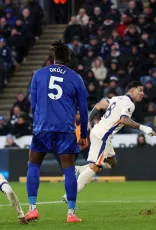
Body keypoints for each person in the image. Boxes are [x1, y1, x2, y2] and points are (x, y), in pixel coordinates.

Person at [25, 40, 89, 223]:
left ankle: (32, 209)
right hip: (65, 129)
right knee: (68, 168)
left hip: (42, 127)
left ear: (53, 57)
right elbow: (83, 110)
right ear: (68, 59)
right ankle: (71, 214)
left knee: (34, 165)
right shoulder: (76, 78)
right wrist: (83, 134)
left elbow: (33, 104)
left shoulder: (38, 74)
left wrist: (38, 122)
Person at [62, 82, 156, 202]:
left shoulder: (116, 98)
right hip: (103, 136)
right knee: (94, 168)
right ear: (131, 91)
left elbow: (99, 105)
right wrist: (144, 128)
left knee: (111, 162)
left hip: (101, 134)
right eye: (140, 90)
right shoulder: (129, 104)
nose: (143, 93)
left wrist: (88, 122)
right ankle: (70, 194)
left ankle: (79, 169)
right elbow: (124, 120)